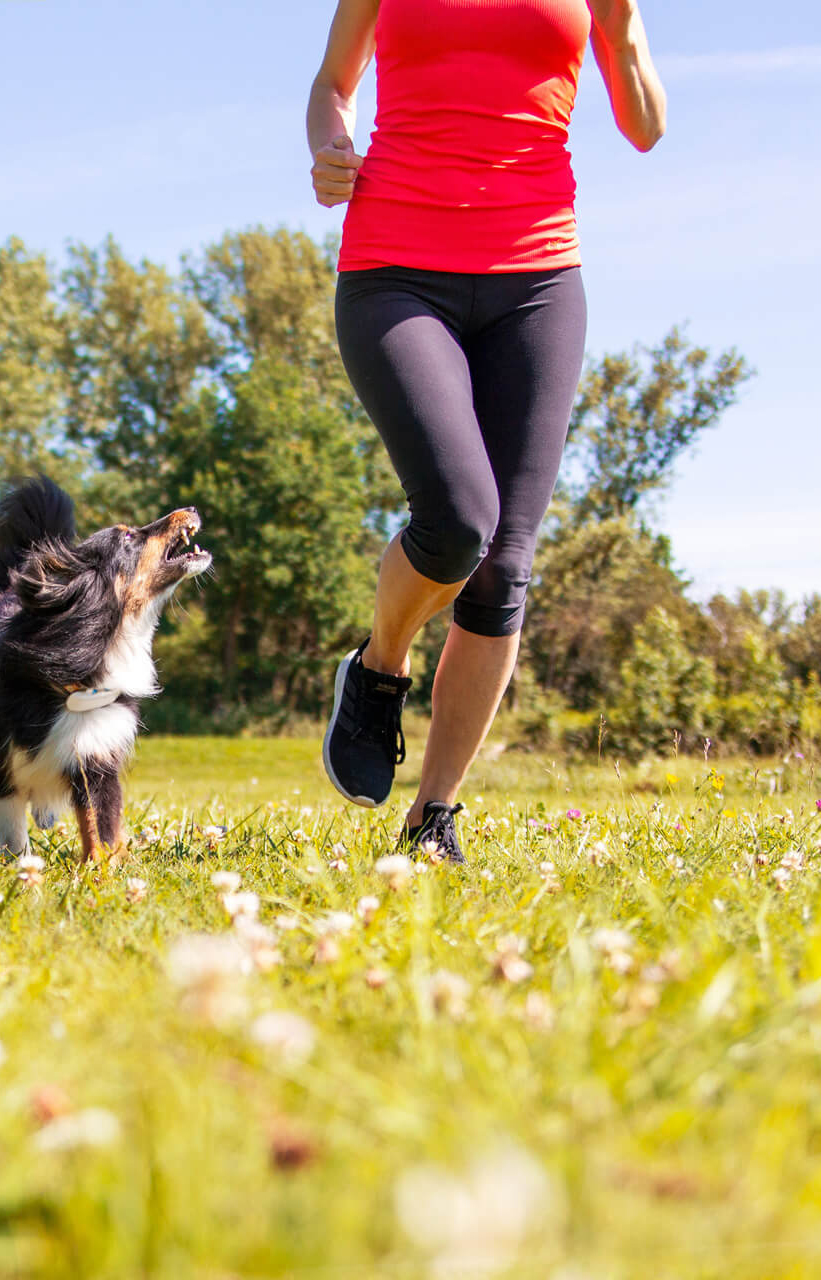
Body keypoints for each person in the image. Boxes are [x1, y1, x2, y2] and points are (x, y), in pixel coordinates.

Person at [309, 0, 665, 860]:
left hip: (537, 274)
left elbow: (647, 127)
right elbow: (334, 82)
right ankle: (380, 664)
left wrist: (619, 31)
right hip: (395, 266)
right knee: (460, 520)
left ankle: (433, 816)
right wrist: (329, 146)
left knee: (505, 563)